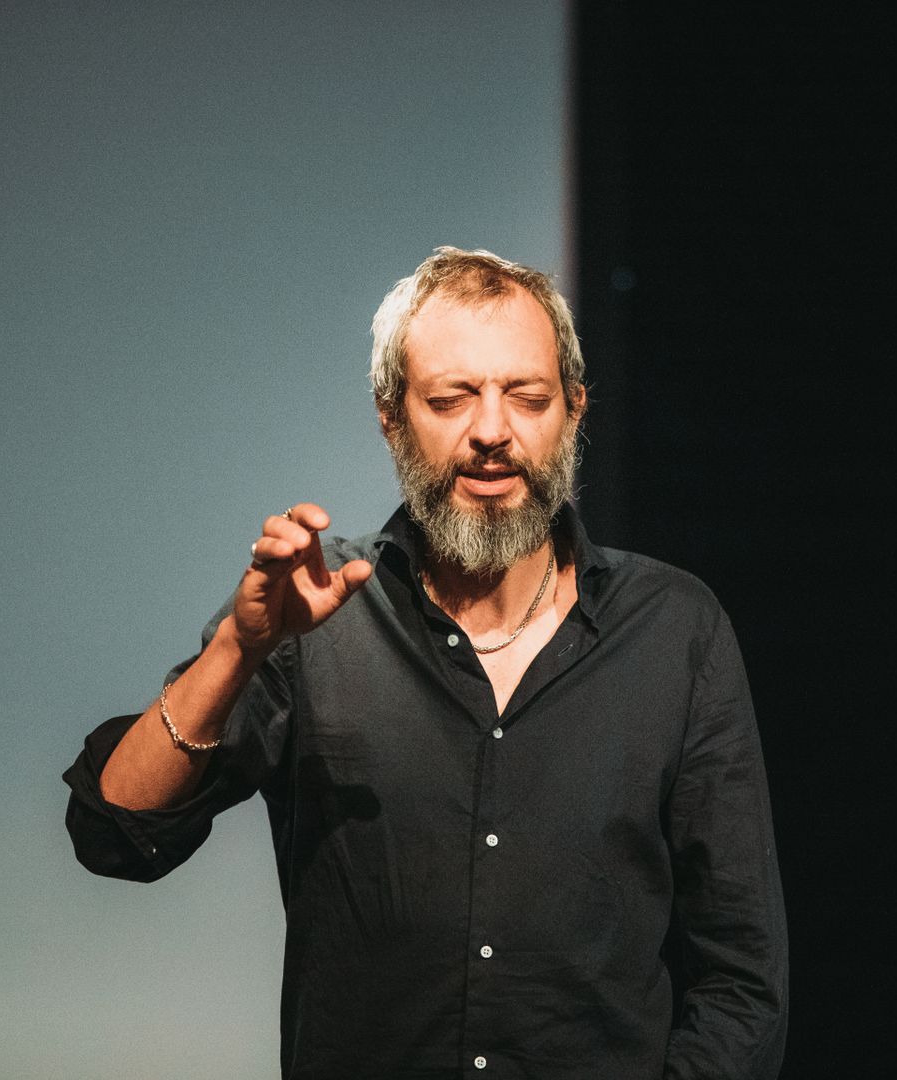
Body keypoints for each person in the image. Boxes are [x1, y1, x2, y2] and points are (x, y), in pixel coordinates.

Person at [63, 247, 788, 1079]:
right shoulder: (316, 616)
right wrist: (239, 647)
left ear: (575, 409)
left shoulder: (673, 629)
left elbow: (742, 983)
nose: (491, 432)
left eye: (528, 397)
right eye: (451, 399)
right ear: (391, 416)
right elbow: (113, 834)